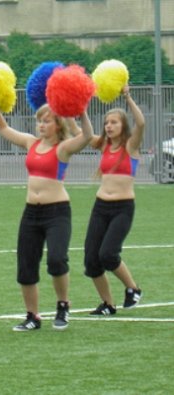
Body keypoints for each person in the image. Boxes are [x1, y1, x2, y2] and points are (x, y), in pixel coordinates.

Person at [0, 104, 94, 332]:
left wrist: (81, 111)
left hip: (57, 212)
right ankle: (32, 316)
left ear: (58, 125)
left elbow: (87, 136)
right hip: (31, 213)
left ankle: (63, 305)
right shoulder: (31, 143)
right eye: (39, 120)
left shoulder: (63, 148)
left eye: (47, 121)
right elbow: (3, 128)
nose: (41, 125)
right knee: (26, 265)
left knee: (57, 260)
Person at [83, 85, 144, 316]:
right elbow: (82, 133)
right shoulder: (104, 145)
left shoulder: (131, 145)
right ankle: (108, 304)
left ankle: (133, 289)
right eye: (107, 123)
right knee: (91, 260)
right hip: (100, 207)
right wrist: (80, 110)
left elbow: (141, 123)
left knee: (108, 254)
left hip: (122, 208)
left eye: (114, 122)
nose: (109, 126)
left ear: (123, 126)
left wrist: (127, 96)